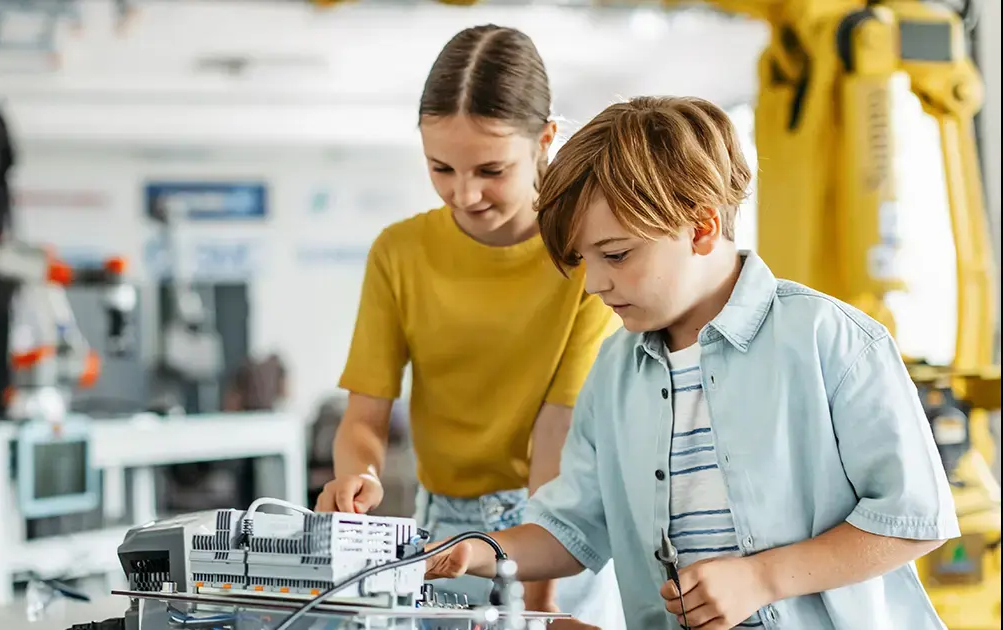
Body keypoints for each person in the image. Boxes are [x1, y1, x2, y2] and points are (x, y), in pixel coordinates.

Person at [423, 95, 959, 630]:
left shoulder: (831, 340)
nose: (594, 284)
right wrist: (478, 550)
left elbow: (913, 518)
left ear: (700, 228)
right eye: (583, 261)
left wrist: (763, 578)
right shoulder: (613, 372)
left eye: (614, 255)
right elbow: (573, 526)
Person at [313, 24, 625, 625]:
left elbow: (556, 431)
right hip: (439, 528)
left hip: (556, 525)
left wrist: (542, 597)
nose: (465, 194)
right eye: (441, 168)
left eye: (490, 169)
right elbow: (365, 413)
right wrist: (359, 477)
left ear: (545, 141)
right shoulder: (399, 252)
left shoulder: (583, 252)